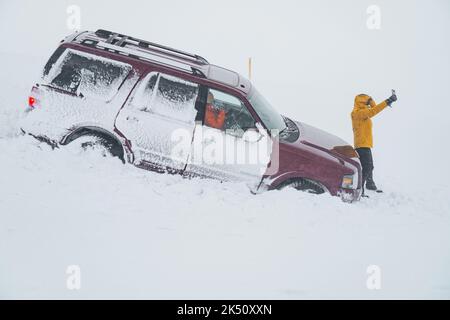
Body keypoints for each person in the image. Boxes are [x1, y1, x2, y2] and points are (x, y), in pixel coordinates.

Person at [351, 90, 397, 194]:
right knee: (368, 167)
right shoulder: (357, 113)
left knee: (368, 166)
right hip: (361, 145)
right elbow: (374, 111)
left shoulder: (363, 113)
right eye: (366, 101)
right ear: (361, 102)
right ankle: (359, 189)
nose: (368, 103)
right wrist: (388, 101)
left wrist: (370, 100)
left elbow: (374, 107)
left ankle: (369, 184)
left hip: (365, 144)